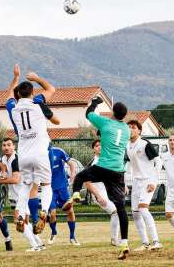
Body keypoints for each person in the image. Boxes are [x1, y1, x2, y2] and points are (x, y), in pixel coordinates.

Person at [68, 96, 131, 260]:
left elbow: (88, 114)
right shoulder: (126, 130)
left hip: (103, 166)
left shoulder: (106, 123)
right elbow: (106, 132)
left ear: (112, 113)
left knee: (81, 176)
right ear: (124, 116)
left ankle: (76, 194)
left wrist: (95, 103)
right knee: (121, 208)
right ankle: (124, 242)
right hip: (118, 171)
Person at [5, 64, 56, 238]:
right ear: (32, 93)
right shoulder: (38, 103)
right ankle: (44, 211)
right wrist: (36, 78)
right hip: (40, 152)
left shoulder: (13, 108)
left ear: (18, 94)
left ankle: (20, 214)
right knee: (47, 185)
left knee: (25, 186)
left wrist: (16, 78)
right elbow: (51, 89)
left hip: (24, 154)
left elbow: (8, 95)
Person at [0, 138, 42, 251]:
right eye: (4, 145)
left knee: (18, 221)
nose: (6, 147)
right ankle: (39, 244)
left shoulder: (16, 159)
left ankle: (35, 246)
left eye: (9, 145)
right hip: (17, 195)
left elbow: (15, 180)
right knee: (24, 222)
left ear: (14, 147)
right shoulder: (4, 158)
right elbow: (6, 175)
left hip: (23, 194)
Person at [126, 120, 163, 251]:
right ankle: (145, 243)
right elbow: (127, 164)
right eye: (128, 127)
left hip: (147, 181)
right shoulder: (127, 145)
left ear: (139, 131)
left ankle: (157, 241)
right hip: (136, 182)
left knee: (143, 209)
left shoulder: (144, 144)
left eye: (133, 127)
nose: (130, 129)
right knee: (135, 213)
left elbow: (158, 162)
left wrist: (153, 182)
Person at [86, 139, 120, 246]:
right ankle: (114, 240)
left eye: (101, 145)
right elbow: (87, 183)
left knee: (117, 213)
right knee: (115, 212)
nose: (99, 147)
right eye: (96, 146)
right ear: (93, 149)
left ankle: (115, 239)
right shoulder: (93, 164)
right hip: (100, 194)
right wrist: (98, 196)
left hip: (109, 192)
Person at [46, 145, 80, 246]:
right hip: (49, 189)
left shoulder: (58, 151)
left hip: (62, 187)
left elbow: (71, 163)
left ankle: (72, 237)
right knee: (52, 213)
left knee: (70, 211)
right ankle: (53, 232)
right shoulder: (40, 154)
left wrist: (73, 174)